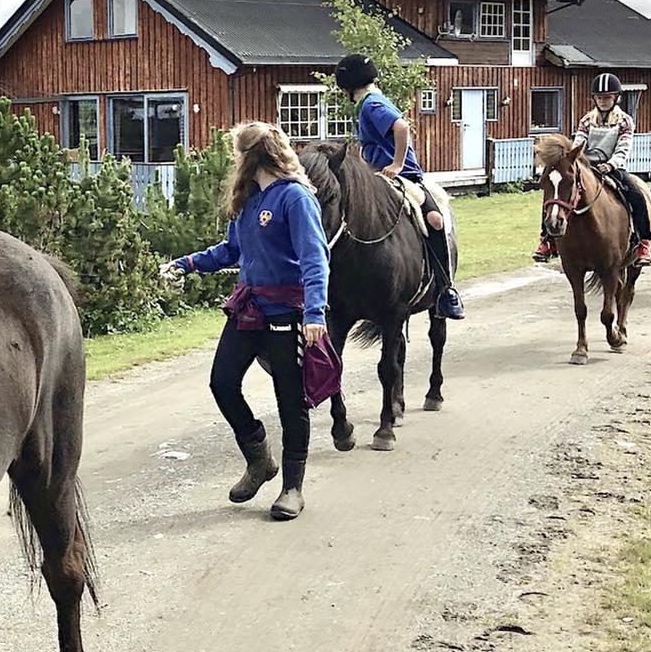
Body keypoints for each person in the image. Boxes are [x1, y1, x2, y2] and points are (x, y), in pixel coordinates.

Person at [161, 122, 330, 521]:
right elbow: (231, 250)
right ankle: (259, 457)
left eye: (237, 153)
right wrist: (186, 264)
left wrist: (314, 313)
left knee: (290, 400)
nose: (234, 161)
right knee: (222, 381)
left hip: (287, 312)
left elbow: (314, 259)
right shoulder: (248, 200)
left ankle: (292, 487)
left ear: (252, 156)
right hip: (248, 308)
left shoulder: (296, 198)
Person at [332, 54, 465, 320]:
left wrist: (397, 163)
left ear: (347, 86)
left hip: (403, 175)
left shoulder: (372, 104)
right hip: (380, 177)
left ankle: (445, 288)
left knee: (435, 219)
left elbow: (401, 127)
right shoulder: (369, 103)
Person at [534, 72, 651, 266]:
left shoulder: (625, 121)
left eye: (607, 97)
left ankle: (643, 242)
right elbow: (579, 143)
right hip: (587, 167)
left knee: (635, 194)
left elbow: (623, 147)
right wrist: (573, 159)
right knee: (555, 197)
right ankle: (547, 241)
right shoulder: (587, 120)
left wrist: (611, 164)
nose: (603, 101)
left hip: (613, 167)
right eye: (599, 97)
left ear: (616, 98)